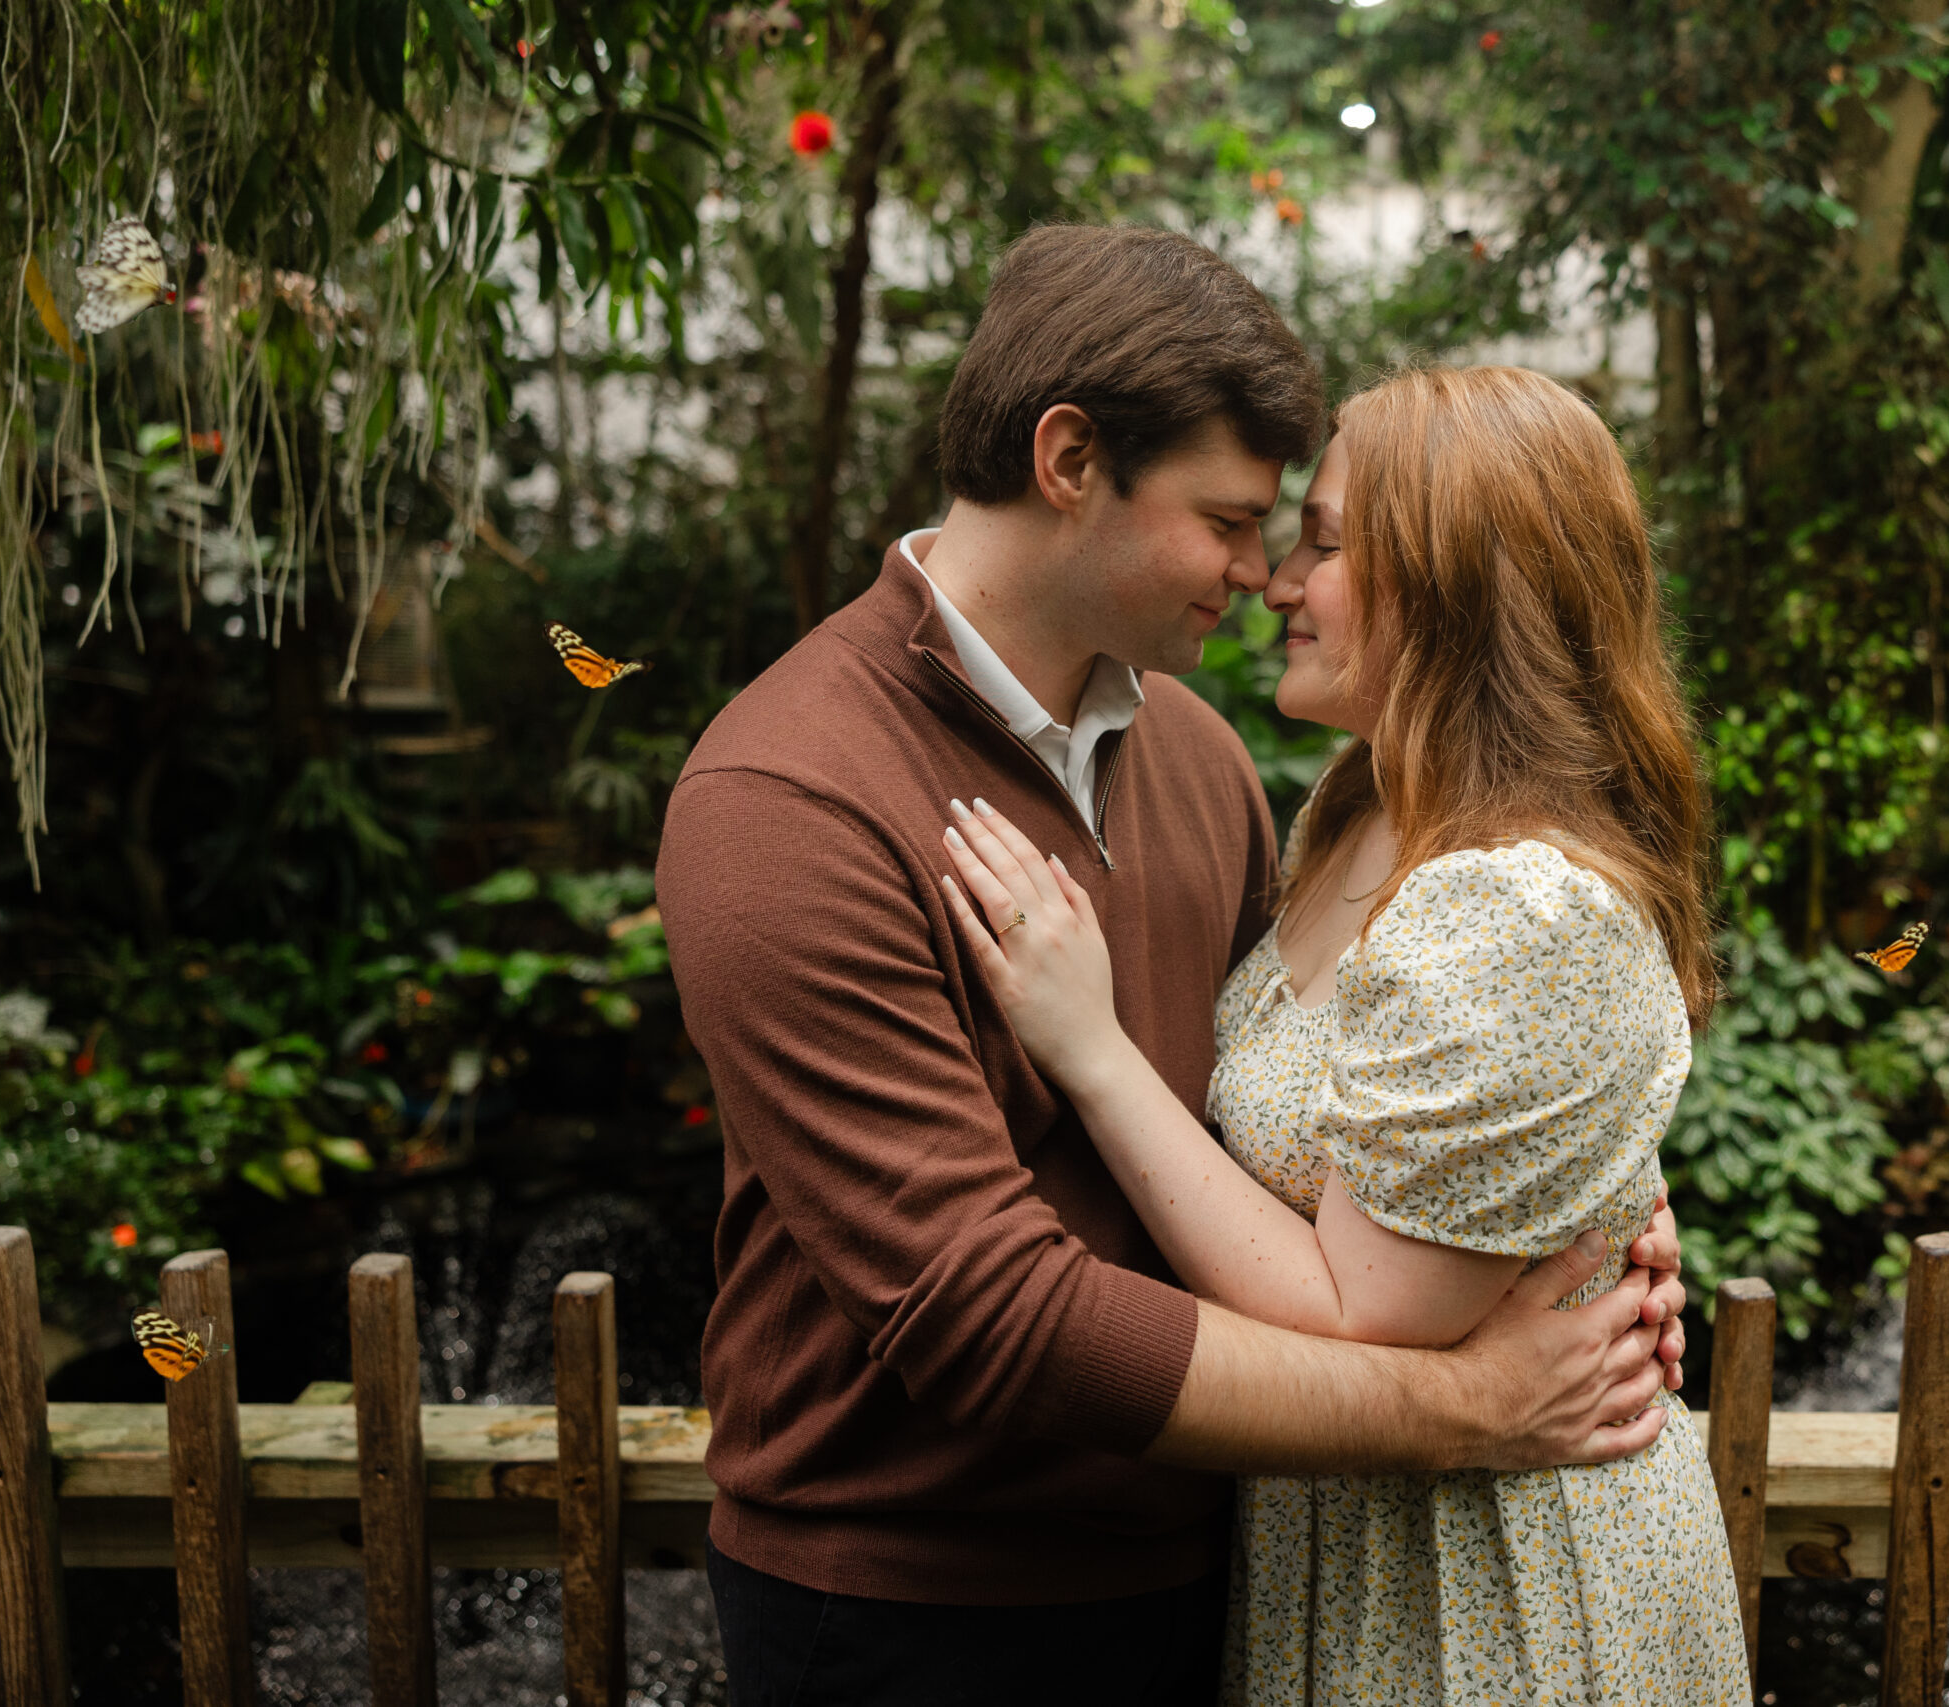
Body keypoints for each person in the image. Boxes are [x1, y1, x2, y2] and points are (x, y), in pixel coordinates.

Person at [655, 227, 1689, 1707]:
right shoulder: (791, 796)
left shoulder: (1199, 760)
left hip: (1220, 1566)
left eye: (1294, 533)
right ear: (1070, 459)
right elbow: (983, 1316)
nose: (1261, 573)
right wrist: (1459, 1404)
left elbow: (1323, 1121)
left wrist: (1573, 1221)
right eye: (1230, 520)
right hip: (920, 1602)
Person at [935, 364, 1750, 1704]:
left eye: (1321, 541)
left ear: (1450, 586)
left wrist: (1087, 1049)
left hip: (1494, 1582)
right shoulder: (1362, 810)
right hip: (1346, 1532)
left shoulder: (1520, 907)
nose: (1275, 579)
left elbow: (1349, 1309)